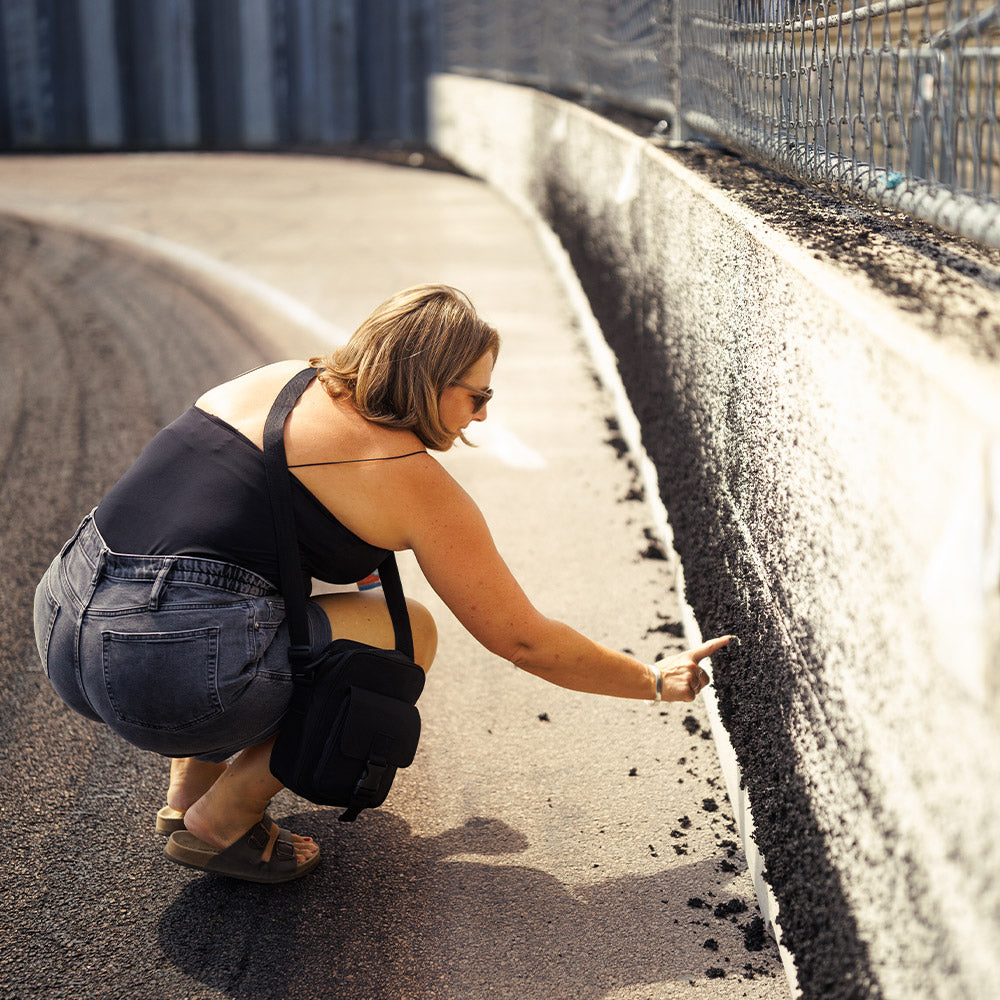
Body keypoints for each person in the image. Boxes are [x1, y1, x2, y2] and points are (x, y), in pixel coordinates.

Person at [33, 284, 730, 883]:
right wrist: (652, 680)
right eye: (477, 395)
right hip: (164, 671)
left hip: (66, 623)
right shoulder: (407, 477)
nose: (483, 414)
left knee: (246, 593)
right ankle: (223, 820)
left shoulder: (279, 378)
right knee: (408, 631)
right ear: (431, 385)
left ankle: (189, 789)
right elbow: (523, 640)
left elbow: (203, 529)